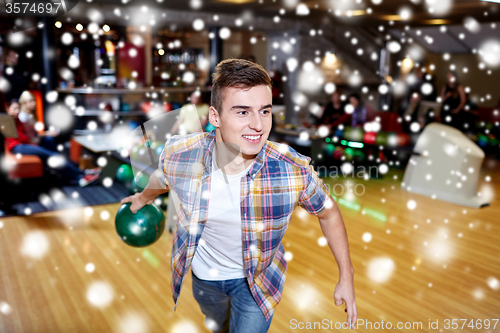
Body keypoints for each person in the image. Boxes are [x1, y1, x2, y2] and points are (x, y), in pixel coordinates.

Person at [121, 59, 358, 332]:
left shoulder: (292, 170)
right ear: (215, 117)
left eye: (265, 111)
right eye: (243, 112)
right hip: (204, 279)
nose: (258, 125)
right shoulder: (182, 154)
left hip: (257, 283)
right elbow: (163, 178)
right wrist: (143, 198)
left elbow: (327, 211)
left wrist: (346, 275)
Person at [4, 100, 100, 187]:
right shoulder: (7, 120)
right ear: (8, 109)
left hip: (24, 144)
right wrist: (32, 140)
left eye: (18, 109)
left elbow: (27, 135)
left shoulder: (18, 120)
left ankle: (79, 173)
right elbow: (20, 137)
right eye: (14, 108)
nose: (17, 111)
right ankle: (80, 175)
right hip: (17, 147)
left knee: (51, 149)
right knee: (52, 155)